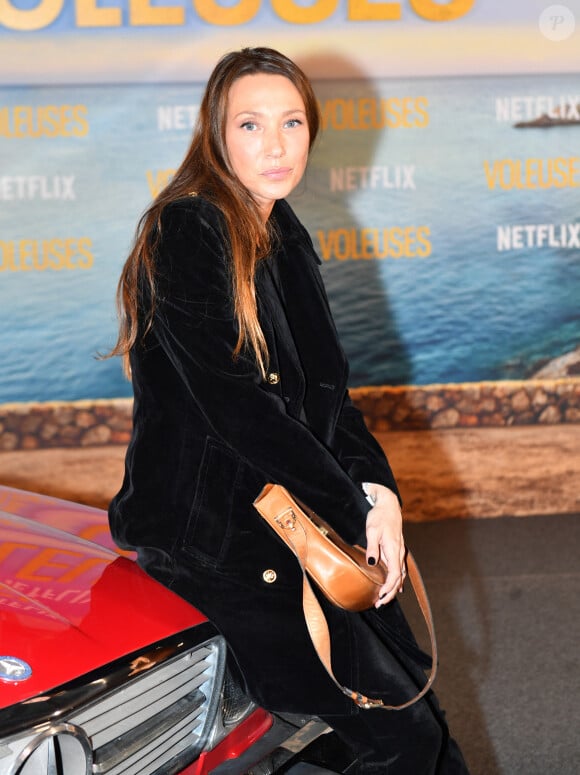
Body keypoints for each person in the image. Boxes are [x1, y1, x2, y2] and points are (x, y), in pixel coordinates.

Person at [108, 47, 469, 773]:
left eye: (291, 122)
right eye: (250, 124)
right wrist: (351, 507)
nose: (275, 145)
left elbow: (329, 393)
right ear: (217, 133)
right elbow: (235, 406)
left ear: (313, 130)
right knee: (403, 736)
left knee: (418, 712)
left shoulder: (281, 229)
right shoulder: (187, 229)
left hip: (296, 515)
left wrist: (381, 496)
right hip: (219, 541)